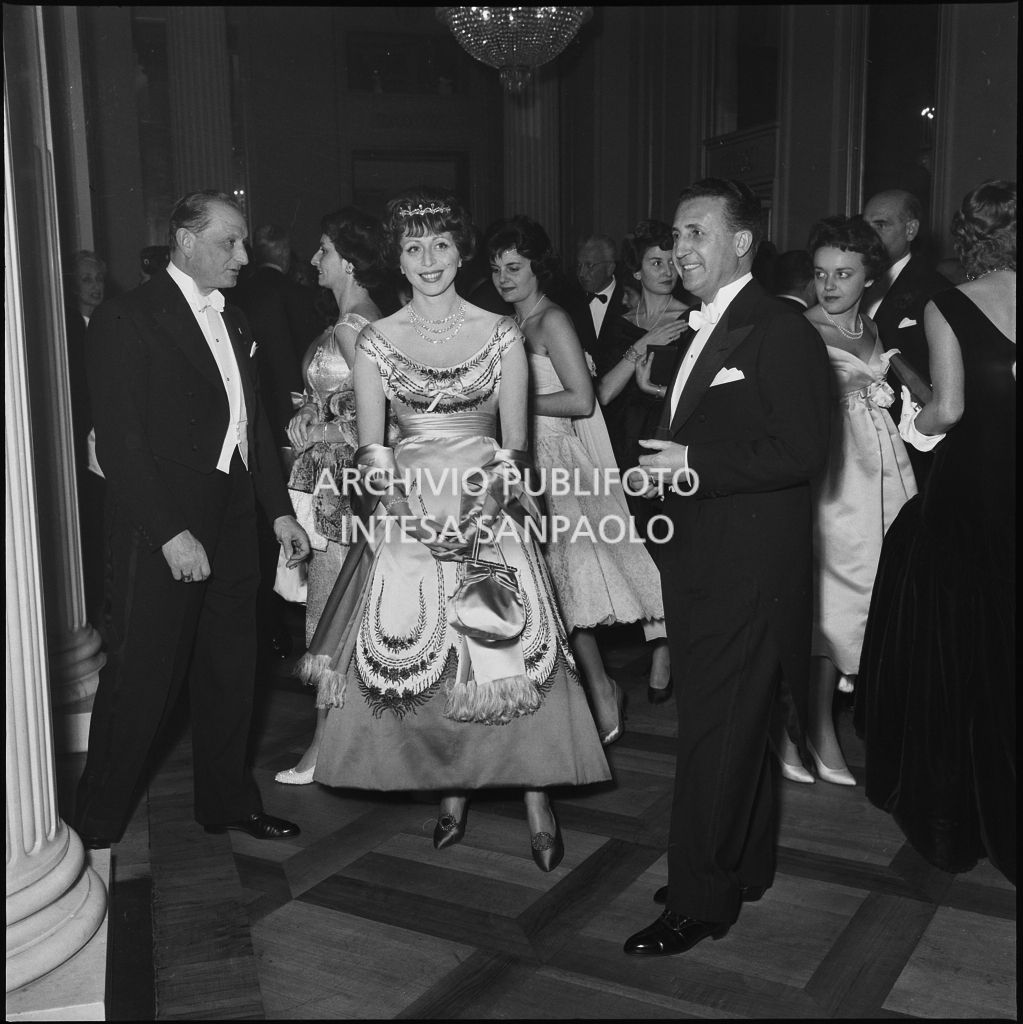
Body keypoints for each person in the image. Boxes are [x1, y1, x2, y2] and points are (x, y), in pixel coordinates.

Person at [296, 190, 611, 871]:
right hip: (408, 515)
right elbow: (372, 451)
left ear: (461, 250)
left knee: (511, 660)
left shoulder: (502, 333)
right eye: (413, 247)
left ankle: (536, 795)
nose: (429, 259)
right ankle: (451, 789)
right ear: (397, 259)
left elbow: (517, 451)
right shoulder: (376, 339)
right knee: (425, 662)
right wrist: (405, 513)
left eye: (441, 244)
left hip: (490, 512)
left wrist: (479, 514)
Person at [624, 178, 830, 956]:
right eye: (675, 236)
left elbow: (803, 450)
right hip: (705, 557)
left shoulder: (777, 328)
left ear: (741, 242)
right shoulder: (695, 330)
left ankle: (700, 901)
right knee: (732, 723)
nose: (681, 249)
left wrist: (692, 462)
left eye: (697, 233)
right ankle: (736, 866)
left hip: (745, 566)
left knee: (713, 728)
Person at [74, 190, 309, 849]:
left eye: (242, 243)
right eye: (228, 242)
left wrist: (279, 513)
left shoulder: (235, 319)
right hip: (165, 524)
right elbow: (119, 442)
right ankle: (94, 821)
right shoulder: (129, 316)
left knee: (231, 670)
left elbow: (250, 424)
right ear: (184, 240)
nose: (242, 255)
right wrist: (171, 533)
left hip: (235, 516)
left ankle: (226, 802)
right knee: (144, 676)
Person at [855, 180, 1016, 884]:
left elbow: (945, 409)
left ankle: (958, 809)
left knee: (959, 641)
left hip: (970, 493)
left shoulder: (948, 304)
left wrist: (908, 429)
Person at [486, 215, 671, 731]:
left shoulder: (552, 320)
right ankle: (574, 698)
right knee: (542, 590)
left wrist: (511, 402)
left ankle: (599, 692)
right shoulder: (510, 325)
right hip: (519, 458)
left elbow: (581, 398)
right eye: (497, 269)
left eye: (514, 267)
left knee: (563, 590)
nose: (504, 278)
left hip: (553, 462)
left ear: (536, 268)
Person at [772, 216, 916, 786]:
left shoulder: (873, 331)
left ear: (869, 277)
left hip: (879, 474)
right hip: (832, 480)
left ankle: (814, 722)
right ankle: (801, 726)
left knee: (864, 602)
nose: (829, 285)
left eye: (844, 274)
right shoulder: (802, 329)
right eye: (821, 273)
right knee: (830, 606)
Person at [274, 207, 388, 784]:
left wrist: (319, 426)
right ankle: (345, 742)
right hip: (331, 483)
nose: (314, 259)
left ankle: (323, 749)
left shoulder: (354, 326)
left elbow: (383, 423)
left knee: (331, 613)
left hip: (346, 491)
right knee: (340, 611)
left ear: (348, 259)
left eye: (322, 250)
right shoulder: (353, 318)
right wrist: (311, 413)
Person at [862, 189, 950, 483]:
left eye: (881, 225)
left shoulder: (934, 289)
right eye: (866, 226)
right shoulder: (852, 280)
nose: (870, 236)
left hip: (908, 446)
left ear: (910, 229)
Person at [593, 220, 690, 486]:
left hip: (662, 439)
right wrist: (645, 343)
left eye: (672, 262)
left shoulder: (691, 319)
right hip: (618, 440)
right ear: (637, 271)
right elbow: (604, 392)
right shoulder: (618, 323)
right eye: (656, 263)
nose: (668, 271)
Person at [64, 250, 108, 623]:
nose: (95, 288)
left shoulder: (113, 323)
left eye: (99, 280)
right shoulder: (64, 331)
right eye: (86, 280)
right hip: (81, 444)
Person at [566, 234, 630, 363]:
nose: (581, 274)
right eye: (579, 266)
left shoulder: (630, 301)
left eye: (590, 265)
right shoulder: (567, 301)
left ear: (610, 268)